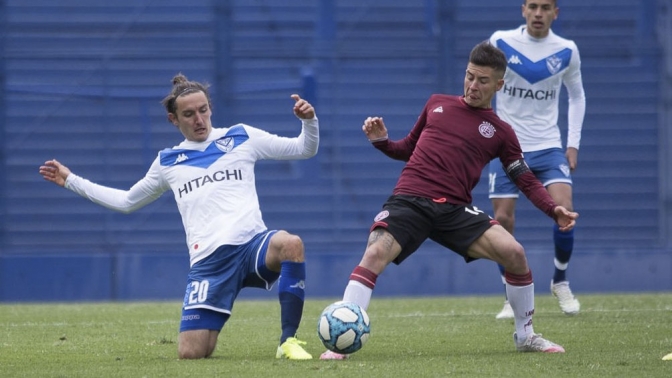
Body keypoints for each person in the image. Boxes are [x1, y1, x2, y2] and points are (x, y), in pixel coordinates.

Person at [320, 41, 578, 360]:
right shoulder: (436, 104)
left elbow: (524, 178)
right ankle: (340, 347)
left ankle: (525, 336)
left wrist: (553, 209)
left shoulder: (501, 132)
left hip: (455, 209)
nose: (473, 85)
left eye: (483, 81)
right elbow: (406, 149)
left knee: (514, 252)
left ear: (499, 85)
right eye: (470, 76)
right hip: (410, 200)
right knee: (374, 253)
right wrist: (382, 141)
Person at [38, 73, 320, 360]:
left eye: (203, 110)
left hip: (251, 245)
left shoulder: (241, 136)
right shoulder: (167, 161)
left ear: (210, 108)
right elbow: (126, 202)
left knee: (291, 243)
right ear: (174, 120)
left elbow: (304, 149)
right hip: (209, 264)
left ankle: (288, 341)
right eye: (188, 114)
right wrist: (71, 180)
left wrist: (308, 121)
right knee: (192, 352)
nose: (199, 119)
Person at [487, 0, 586, 320]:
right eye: (533, 6)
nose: (538, 13)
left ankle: (560, 279)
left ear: (556, 13)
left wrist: (572, 144)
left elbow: (577, 96)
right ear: (523, 10)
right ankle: (509, 295)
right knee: (502, 222)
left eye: (546, 7)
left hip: (547, 145)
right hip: (506, 147)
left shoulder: (567, 50)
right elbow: (480, 83)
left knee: (565, 213)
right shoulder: (500, 42)